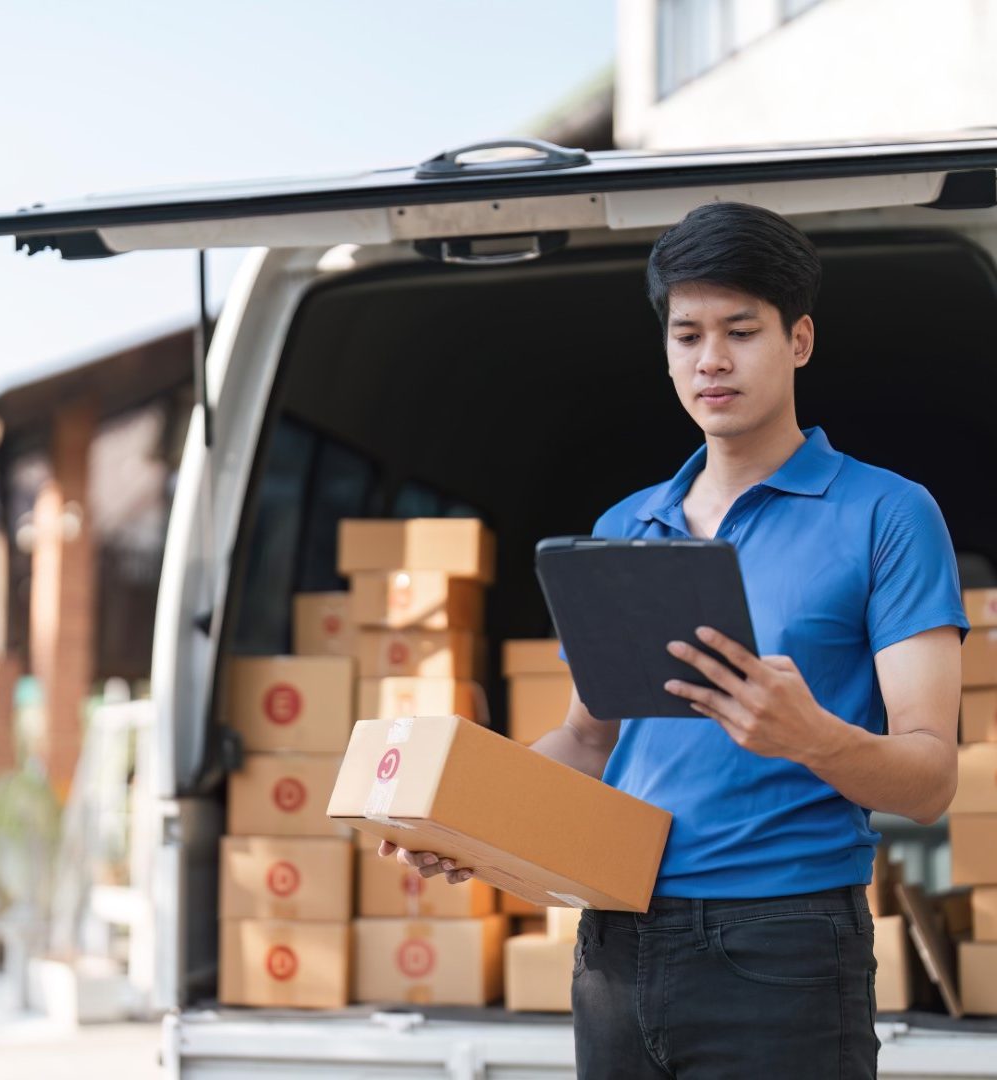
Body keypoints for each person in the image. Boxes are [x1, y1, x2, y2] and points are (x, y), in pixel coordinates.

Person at [380, 201, 967, 1079]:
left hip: (786, 946)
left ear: (799, 339)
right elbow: (587, 736)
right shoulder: (626, 525)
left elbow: (930, 778)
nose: (712, 359)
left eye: (742, 330)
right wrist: (463, 819)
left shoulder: (886, 513)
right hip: (616, 940)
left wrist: (809, 736)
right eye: (687, 334)